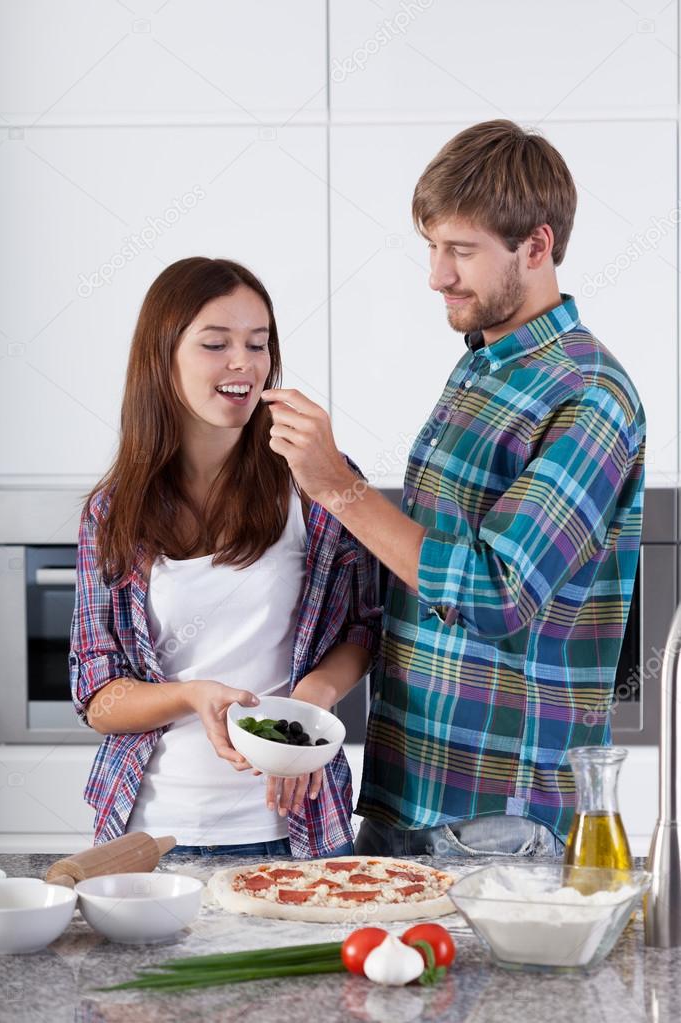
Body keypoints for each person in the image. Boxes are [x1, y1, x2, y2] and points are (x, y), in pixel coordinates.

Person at [261, 119, 646, 859]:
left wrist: (339, 487)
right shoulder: (484, 363)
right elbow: (421, 563)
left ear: (536, 246)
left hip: (496, 818)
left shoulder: (590, 394)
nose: (436, 275)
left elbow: (495, 594)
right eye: (432, 247)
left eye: (460, 251)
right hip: (408, 789)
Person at [69, 257, 381, 858]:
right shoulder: (112, 513)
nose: (244, 362)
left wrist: (310, 700)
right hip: (153, 834)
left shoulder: (311, 486)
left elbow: (365, 627)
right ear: (162, 358)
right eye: (216, 343)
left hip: (300, 831)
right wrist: (191, 696)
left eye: (258, 344)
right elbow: (96, 695)